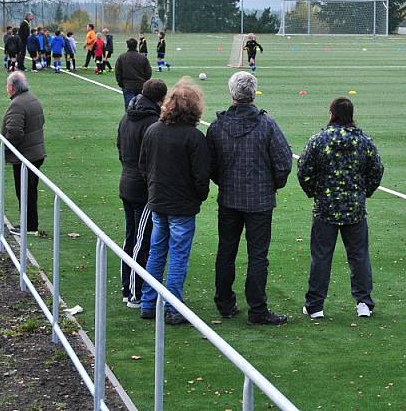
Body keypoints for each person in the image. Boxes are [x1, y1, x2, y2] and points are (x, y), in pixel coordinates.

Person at [206, 72, 293, 325]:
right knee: (257, 255)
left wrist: (224, 181)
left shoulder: (217, 126)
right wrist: (272, 185)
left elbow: (209, 165)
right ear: (253, 93)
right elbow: (283, 162)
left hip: (231, 198)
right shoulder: (267, 125)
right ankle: (257, 309)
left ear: (232, 94)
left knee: (226, 250)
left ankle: (225, 303)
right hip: (259, 201)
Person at [297, 97, 384, 320]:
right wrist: (364, 192)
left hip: (325, 208)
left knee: (321, 257)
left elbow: (304, 170)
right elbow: (377, 169)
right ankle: (364, 302)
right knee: (359, 256)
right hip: (354, 208)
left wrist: (314, 192)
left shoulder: (319, 140)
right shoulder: (363, 140)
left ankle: (315, 305)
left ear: (331, 114)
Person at [138, 78, 211, 325]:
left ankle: (148, 303)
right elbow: (201, 176)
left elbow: (143, 166)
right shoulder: (194, 137)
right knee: (178, 256)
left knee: (156, 252)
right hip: (180, 206)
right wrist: (199, 195)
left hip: (159, 202)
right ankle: (173, 308)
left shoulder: (153, 130)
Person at [117, 78, 168, 307]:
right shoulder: (152, 124)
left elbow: (120, 149)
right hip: (143, 189)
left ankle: (127, 287)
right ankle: (135, 292)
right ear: (160, 99)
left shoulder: (126, 117)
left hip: (127, 183)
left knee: (132, 237)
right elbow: (151, 160)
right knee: (141, 240)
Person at [1, 71, 46, 237]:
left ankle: (29, 226)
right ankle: (30, 224)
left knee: (25, 192)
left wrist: (6, 147)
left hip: (25, 155)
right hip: (35, 153)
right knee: (29, 191)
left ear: (12, 87)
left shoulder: (17, 105)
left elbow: (15, 132)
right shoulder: (32, 99)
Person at [115, 38, 152, 109]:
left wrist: (121, 83)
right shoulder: (143, 58)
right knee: (141, 107)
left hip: (127, 85)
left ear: (127, 46)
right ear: (136, 46)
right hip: (140, 85)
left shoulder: (122, 57)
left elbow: (118, 72)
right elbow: (148, 73)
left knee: (129, 108)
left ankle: (130, 119)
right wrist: (144, 82)